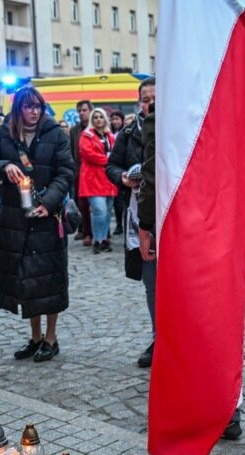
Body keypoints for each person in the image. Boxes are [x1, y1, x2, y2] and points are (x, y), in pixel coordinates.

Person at [0, 86, 74, 363]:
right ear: (19, 108)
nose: (34, 112)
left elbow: (66, 172)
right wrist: (4, 166)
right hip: (16, 218)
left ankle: (51, 337)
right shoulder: (7, 134)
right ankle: (35, 338)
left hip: (47, 218)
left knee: (49, 278)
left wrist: (48, 201)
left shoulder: (55, 134)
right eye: (28, 106)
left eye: (38, 106)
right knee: (26, 279)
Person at [106, 77, 156, 367]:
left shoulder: (175, 128)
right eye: (146, 99)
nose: (150, 104)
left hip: (172, 215)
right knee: (151, 281)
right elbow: (111, 165)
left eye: (154, 98)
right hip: (139, 214)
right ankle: (157, 337)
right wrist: (122, 177)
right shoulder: (128, 132)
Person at [79, 108, 117, 254]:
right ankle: (98, 240)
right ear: (91, 120)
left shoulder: (110, 136)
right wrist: (109, 160)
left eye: (101, 117)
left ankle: (103, 240)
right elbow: (88, 154)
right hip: (93, 179)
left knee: (107, 211)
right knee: (99, 211)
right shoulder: (86, 135)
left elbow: (116, 152)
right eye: (95, 117)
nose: (98, 119)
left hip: (108, 178)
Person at [70, 100, 93, 245]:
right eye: (79, 111)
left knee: (98, 205)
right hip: (80, 172)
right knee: (82, 204)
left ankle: (101, 234)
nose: (81, 113)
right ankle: (85, 231)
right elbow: (73, 152)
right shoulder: (74, 130)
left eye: (84, 110)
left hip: (96, 173)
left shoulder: (96, 127)